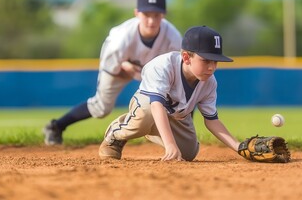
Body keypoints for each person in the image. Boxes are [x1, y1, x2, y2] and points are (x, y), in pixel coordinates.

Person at [43, 0, 182, 145]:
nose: (151, 20)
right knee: (102, 107)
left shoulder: (173, 38)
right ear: (136, 13)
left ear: (164, 14)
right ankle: (56, 126)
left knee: (174, 98)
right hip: (120, 65)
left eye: (156, 15)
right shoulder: (120, 39)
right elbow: (110, 65)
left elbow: (178, 74)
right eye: (146, 14)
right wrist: (123, 65)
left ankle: (177, 137)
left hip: (152, 70)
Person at [98, 25, 241, 161]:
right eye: (205, 60)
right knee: (147, 113)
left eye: (215, 61)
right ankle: (117, 132)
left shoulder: (209, 82)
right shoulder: (162, 66)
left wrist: (239, 147)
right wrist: (170, 145)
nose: (211, 67)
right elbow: (156, 105)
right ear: (186, 57)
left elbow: (212, 120)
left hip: (176, 116)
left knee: (188, 153)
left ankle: (150, 128)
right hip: (148, 104)